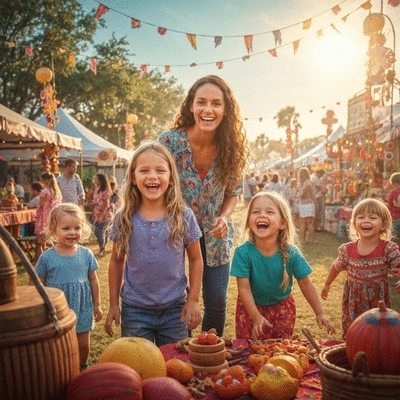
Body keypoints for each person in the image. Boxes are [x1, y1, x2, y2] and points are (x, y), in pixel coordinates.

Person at [157, 75, 249, 336]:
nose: (208, 110)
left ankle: (209, 355)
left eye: (216, 104)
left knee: (217, 302)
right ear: (191, 106)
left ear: (225, 110)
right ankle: (180, 352)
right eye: (202, 102)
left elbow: (234, 191)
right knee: (179, 300)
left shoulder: (233, 147)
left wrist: (225, 216)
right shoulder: (169, 143)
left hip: (215, 237)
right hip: (175, 237)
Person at [104, 141, 203, 346]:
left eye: (160, 170)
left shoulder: (183, 216)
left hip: (175, 309)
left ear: (171, 178)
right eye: (144, 170)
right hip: (135, 311)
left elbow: (196, 260)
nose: (152, 176)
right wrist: (114, 304)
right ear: (132, 177)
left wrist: (192, 300)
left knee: (176, 368)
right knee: (139, 369)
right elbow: (115, 261)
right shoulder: (124, 218)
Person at [230, 191, 336, 340]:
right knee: (248, 353)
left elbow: (306, 284)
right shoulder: (243, 252)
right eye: (256, 212)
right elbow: (244, 288)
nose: (262, 215)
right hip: (250, 310)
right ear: (248, 221)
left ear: (283, 223)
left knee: (279, 352)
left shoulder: (291, 252)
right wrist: (256, 317)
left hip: (282, 311)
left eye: (269, 212)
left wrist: (320, 313)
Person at [33, 203, 102, 370]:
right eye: (66, 228)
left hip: (82, 305)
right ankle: (60, 370)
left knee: (83, 343)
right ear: (53, 230)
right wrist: (37, 307)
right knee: (58, 344)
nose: (72, 232)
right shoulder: (46, 257)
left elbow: (93, 280)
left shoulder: (86, 254)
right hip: (57, 309)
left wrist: (97, 305)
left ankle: (82, 366)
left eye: (77, 228)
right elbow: (36, 283)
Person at [321, 198, 400, 339]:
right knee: (354, 332)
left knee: (378, 335)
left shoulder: (388, 249)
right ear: (354, 223)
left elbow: (398, 264)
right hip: (353, 302)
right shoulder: (347, 250)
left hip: (378, 301)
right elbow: (336, 266)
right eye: (361, 217)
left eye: (373, 217)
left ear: (384, 225)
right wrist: (327, 284)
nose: (366, 221)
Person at [34, 172, 62, 262]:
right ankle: (55, 256)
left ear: (45, 180)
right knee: (50, 238)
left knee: (39, 241)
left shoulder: (44, 191)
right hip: (53, 216)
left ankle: (38, 259)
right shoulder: (56, 192)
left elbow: (42, 204)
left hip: (43, 217)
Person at [92, 173, 112, 258]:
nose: (94, 180)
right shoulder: (96, 189)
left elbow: (106, 204)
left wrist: (101, 216)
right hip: (96, 213)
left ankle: (101, 249)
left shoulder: (105, 191)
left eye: (96, 179)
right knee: (98, 231)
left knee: (100, 232)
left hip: (104, 214)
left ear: (100, 180)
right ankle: (103, 244)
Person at [297, 167, 317, 244]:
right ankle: (312, 239)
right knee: (308, 223)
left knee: (303, 223)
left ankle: (302, 240)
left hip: (304, 204)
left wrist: (298, 197)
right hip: (309, 204)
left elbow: (303, 192)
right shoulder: (309, 182)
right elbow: (313, 193)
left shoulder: (305, 183)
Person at [385, 172, 400, 245]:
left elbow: (393, 203)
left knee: (393, 238)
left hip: (394, 218)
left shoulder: (393, 192)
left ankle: (393, 252)